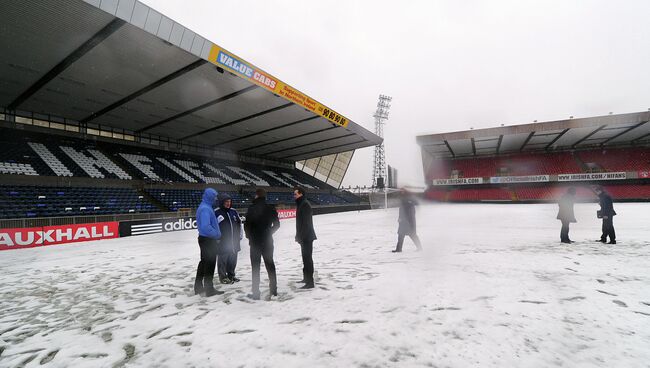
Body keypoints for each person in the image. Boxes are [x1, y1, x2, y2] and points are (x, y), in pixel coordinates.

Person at [244, 188, 280, 300]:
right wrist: (269, 233)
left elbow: (246, 226)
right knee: (270, 265)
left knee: (255, 268)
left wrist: (250, 236)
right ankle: (273, 291)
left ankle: (255, 293)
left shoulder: (251, 208)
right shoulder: (270, 208)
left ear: (256, 196)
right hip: (268, 241)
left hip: (255, 243)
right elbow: (277, 225)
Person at [194, 188, 224, 297]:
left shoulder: (205, 206)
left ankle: (198, 287)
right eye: (214, 196)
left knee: (204, 263)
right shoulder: (206, 209)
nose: (216, 198)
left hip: (204, 239)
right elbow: (206, 227)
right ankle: (209, 289)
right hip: (208, 240)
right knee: (210, 264)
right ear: (210, 196)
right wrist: (217, 234)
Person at [215, 193, 243, 284]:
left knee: (232, 260)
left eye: (229, 201)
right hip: (222, 242)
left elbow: (239, 224)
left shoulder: (234, 211)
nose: (228, 203)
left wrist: (240, 235)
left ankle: (231, 275)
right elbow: (213, 227)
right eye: (226, 202)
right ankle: (223, 277)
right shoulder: (216, 212)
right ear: (222, 202)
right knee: (222, 260)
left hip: (234, 241)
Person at [293, 187, 317, 289]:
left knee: (307, 259)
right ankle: (306, 278)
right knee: (305, 258)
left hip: (307, 237)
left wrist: (301, 236)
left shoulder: (305, 204)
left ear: (301, 194)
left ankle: (310, 282)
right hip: (303, 236)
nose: (294, 196)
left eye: (295, 194)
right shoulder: (300, 204)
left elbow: (306, 224)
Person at [392, 188, 423, 252]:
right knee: (401, 235)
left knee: (412, 235)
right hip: (403, 221)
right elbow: (401, 211)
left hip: (408, 221)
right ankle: (399, 249)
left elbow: (411, 212)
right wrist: (400, 218)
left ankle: (420, 248)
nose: (401, 192)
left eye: (402, 191)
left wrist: (408, 221)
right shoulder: (403, 200)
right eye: (401, 191)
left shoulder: (409, 201)